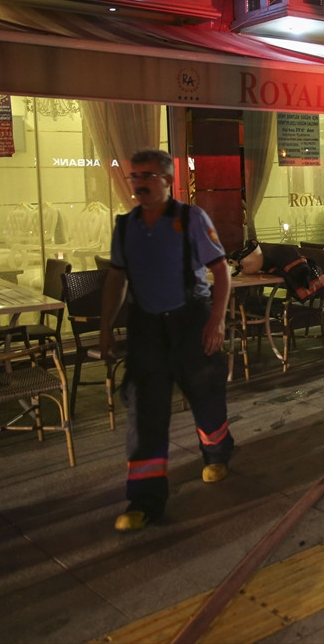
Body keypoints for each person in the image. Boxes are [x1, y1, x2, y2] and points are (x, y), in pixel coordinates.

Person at [100, 149, 235, 532]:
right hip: (146, 328)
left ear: (166, 180)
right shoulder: (125, 226)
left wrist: (216, 321)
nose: (139, 183)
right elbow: (116, 278)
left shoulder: (191, 218)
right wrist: (106, 327)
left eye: (147, 176)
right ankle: (144, 500)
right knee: (144, 412)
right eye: (134, 176)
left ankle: (216, 453)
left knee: (205, 393)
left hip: (190, 321)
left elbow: (221, 271)